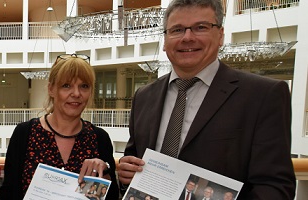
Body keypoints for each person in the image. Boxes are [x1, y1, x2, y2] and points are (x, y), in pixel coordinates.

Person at [117, 0, 296, 199]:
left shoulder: (263, 95)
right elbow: (132, 163)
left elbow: (275, 188)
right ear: (165, 41)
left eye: (200, 27)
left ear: (220, 35)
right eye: (177, 30)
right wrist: (126, 174)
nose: (187, 37)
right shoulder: (144, 96)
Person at [0, 54, 118, 199]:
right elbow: (8, 193)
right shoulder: (25, 133)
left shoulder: (99, 138)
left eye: (84, 86)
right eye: (66, 86)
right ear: (51, 89)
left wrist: (104, 173)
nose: (76, 93)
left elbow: (111, 196)